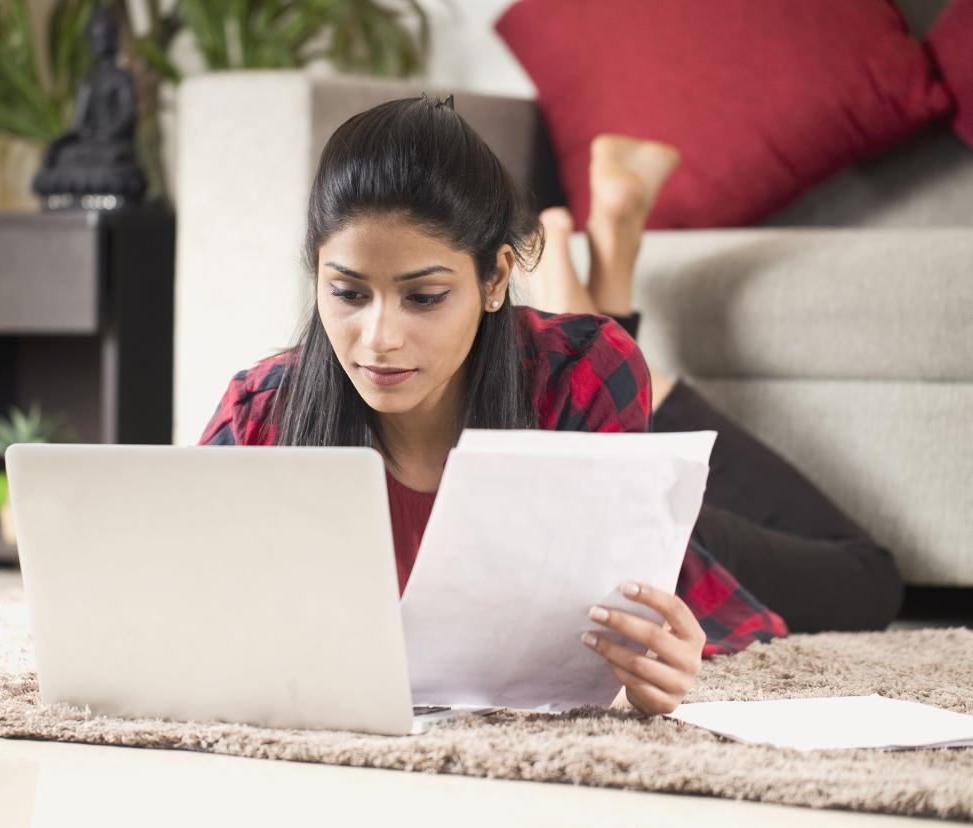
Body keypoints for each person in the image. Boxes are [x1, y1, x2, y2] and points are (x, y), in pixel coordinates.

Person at [196, 94, 885, 715]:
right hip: (569, 407)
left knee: (869, 579)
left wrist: (650, 663)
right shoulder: (260, 412)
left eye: (424, 297)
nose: (378, 338)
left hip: (627, 488)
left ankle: (614, 287)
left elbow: (619, 625)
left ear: (495, 278)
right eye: (347, 293)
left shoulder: (582, 375)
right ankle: (606, 269)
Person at [520, 135, 905, 637]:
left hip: (610, 518)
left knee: (868, 576)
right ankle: (590, 326)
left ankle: (601, 305)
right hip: (632, 526)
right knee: (871, 582)